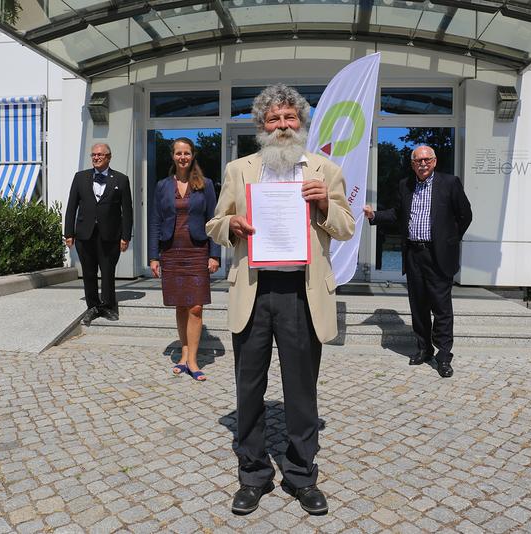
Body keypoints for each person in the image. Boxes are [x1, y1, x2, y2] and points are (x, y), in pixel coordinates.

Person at [206, 84, 355, 516]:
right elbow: (215, 223)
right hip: (253, 288)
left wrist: (326, 204)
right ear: (261, 127)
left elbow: (345, 228)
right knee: (249, 388)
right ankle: (253, 475)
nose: (283, 126)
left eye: (290, 118)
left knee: (301, 389)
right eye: (274, 119)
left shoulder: (324, 170)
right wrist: (231, 224)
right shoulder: (240, 169)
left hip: (301, 294)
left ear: (301, 122)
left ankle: (300, 475)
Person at [364, 145, 472, 378]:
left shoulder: (450, 183)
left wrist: (450, 240)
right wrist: (374, 216)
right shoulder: (405, 185)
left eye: (426, 160)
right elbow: (396, 214)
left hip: (438, 255)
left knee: (441, 308)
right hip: (414, 254)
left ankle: (443, 356)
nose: (422, 164)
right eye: (417, 161)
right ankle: (424, 349)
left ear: (434, 161)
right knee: (419, 306)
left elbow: (465, 215)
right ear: (412, 164)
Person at [148, 137, 221, 381]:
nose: (182, 157)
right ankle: (183, 354)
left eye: (186, 153)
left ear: (192, 156)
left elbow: (213, 221)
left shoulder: (206, 184)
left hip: (197, 250)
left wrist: (214, 254)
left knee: (197, 306)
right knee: (180, 305)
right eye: (178, 153)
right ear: (173, 156)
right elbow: (155, 221)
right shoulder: (162, 186)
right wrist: (153, 256)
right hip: (171, 250)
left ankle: (193, 360)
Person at [64, 143, 133, 325]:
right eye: (93, 155)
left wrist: (125, 236)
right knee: (88, 273)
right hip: (84, 235)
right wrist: (68, 233)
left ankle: (108, 307)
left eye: (100, 155)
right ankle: (92, 307)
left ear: (108, 157)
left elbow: (127, 211)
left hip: (110, 236)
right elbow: (71, 207)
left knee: (108, 272)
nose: (96, 157)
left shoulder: (121, 179)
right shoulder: (80, 178)